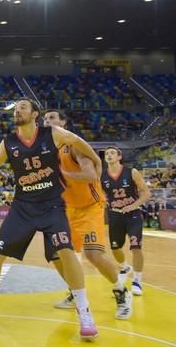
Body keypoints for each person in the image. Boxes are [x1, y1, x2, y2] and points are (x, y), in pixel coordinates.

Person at [0, 98, 100, 340]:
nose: (17, 111)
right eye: (15, 109)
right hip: (23, 206)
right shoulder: (9, 142)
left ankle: (85, 312)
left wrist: (96, 161)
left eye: (22, 107)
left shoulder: (52, 133)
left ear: (35, 114)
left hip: (52, 205)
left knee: (66, 252)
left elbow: (77, 141)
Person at [42, 110, 132, 319]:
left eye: (52, 118)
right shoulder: (46, 152)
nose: (47, 122)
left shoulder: (75, 145)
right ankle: (75, 292)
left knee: (93, 255)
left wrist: (61, 174)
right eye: (45, 120)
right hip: (66, 209)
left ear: (63, 122)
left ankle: (121, 291)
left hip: (90, 207)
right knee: (56, 255)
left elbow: (91, 175)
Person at [102, 146, 151, 296]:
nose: (109, 155)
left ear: (119, 156)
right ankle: (124, 267)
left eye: (112, 153)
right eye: (106, 154)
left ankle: (137, 280)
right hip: (115, 215)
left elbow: (146, 193)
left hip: (133, 215)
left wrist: (133, 205)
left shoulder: (132, 172)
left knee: (136, 246)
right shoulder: (101, 176)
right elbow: (102, 194)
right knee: (115, 248)